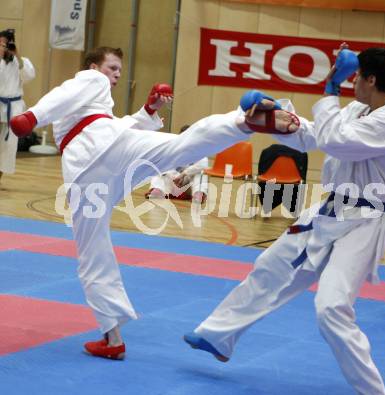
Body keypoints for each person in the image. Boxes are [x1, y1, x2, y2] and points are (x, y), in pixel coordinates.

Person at [10, 46, 296, 360]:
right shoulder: (91, 79)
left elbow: (111, 124)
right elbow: (65, 94)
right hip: (103, 152)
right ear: (93, 65)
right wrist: (32, 117)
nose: (116, 75)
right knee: (183, 147)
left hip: (87, 171)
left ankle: (112, 337)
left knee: (93, 252)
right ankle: (245, 121)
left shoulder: (96, 106)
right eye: (112, 67)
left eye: (119, 70)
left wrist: (148, 110)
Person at [183, 46, 385, 395]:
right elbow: (317, 135)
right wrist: (280, 115)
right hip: (330, 210)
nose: (350, 83)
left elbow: (337, 140)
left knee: (332, 307)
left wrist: (329, 90)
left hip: (367, 221)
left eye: (355, 77)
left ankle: (373, 391)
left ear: (371, 79)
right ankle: (218, 335)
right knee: (271, 265)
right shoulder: (358, 108)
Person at [0, 29, 35, 184]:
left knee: (8, 145)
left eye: (4, 44)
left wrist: (17, 55)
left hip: (13, 107)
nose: (2, 47)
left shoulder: (21, 61)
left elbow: (28, 76)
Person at [146, 125, 208, 204]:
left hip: (188, 186)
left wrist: (183, 174)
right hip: (172, 183)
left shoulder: (199, 149)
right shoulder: (172, 147)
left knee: (201, 174)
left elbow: (203, 165)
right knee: (160, 169)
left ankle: (198, 194)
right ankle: (158, 191)